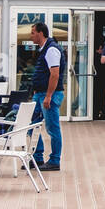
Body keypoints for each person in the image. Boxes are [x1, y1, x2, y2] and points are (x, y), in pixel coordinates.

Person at [29, 21, 67, 171]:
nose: (31, 36)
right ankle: (38, 157)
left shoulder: (51, 50)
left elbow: (55, 74)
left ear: (40, 33)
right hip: (40, 94)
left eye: (33, 33)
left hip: (48, 94)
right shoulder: (44, 49)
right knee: (32, 125)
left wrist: (48, 96)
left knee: (52, 127)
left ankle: (54, 160)